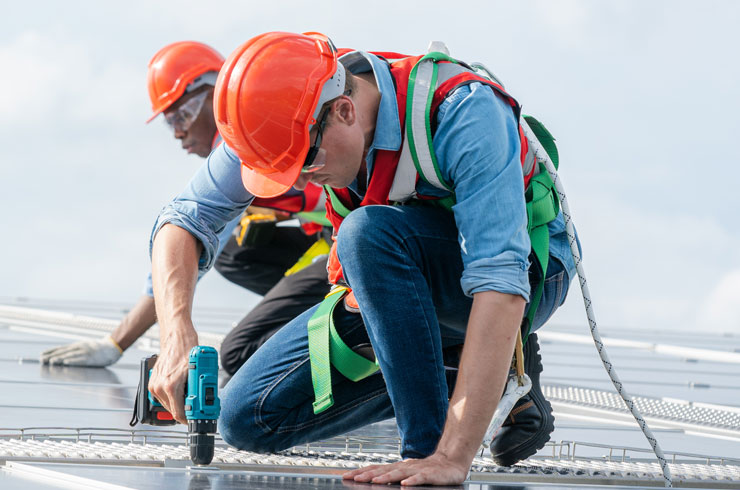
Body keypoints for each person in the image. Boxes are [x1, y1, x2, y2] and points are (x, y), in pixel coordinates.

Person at [148, 32, 577, 486]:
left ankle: (426, 447)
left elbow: (501, 282)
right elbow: (182, 220)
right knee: (247, 418)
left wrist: (451, 457)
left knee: (366, 232)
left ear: (343, 111)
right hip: (399, 273)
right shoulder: (281, 124)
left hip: (530, 274)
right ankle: (470, 375)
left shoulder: (464, 113)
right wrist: (176, 332)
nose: (299, 183)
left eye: (306, 166)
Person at [40, 40, 331, 376]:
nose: (179, 132)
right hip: (334, 236)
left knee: (240, 352)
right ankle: (323, 314)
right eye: (170, 122)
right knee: (235, 251)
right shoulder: (239, 149)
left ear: (216, 95)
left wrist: (117, 342)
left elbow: (190, 247)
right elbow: (189, 225)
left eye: (184, 114)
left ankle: (367, 352)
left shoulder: (249, 143)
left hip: (350, 244)